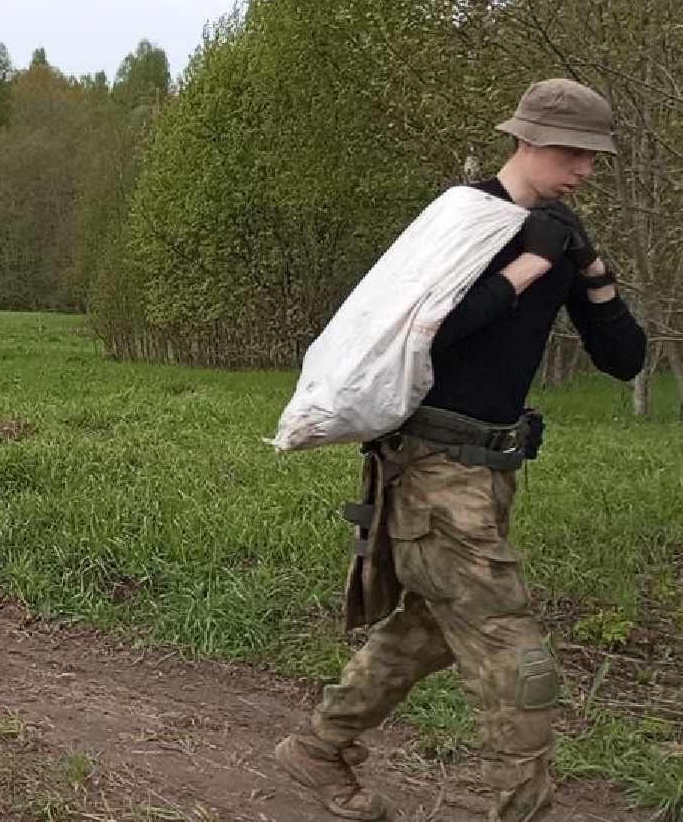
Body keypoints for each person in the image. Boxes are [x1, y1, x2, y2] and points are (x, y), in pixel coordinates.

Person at [274, 79, 647, 822]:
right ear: (529, 140)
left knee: (429, 627)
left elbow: (624, 358)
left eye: (594, 158)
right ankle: (517, 808)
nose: (585, 171)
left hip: (491, 472)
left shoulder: (559, 235)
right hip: (431, 471)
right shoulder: (464, 220)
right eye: (574, 154)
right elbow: (425, 332)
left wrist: (593, 274)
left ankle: (320, 747)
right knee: (513, 653)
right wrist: (525, 268)